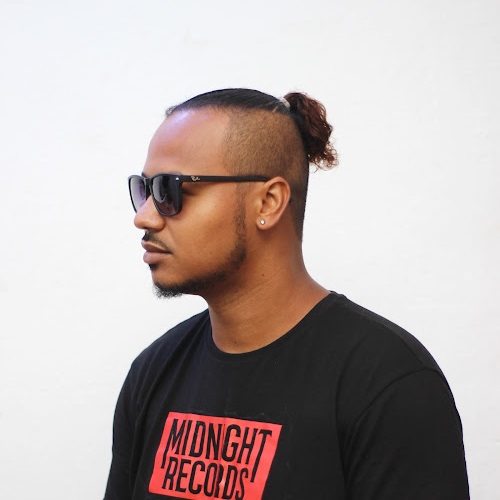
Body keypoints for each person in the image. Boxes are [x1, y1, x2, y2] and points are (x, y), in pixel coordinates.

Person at [104, 88, 469, 500]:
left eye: (169, 190)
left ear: (269, 202)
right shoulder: (153, 373)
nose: (144, 217)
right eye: (144, 189)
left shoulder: (387, 384)